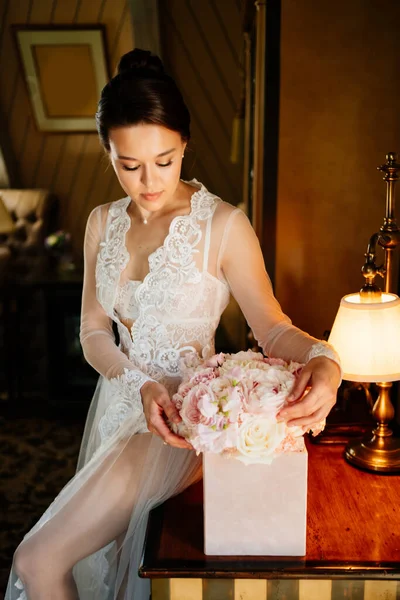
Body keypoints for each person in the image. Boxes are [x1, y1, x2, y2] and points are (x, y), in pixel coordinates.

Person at [6, 48, 341, 600]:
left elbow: (274, 330)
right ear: (108, 152)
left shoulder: (225, 226)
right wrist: (137, 383)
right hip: (119, 407)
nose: (148, 180)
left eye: (164, 159)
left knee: (37, 559)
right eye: (129, 165)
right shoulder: (100, 223)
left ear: (184, 143)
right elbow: (92, 332)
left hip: (175, 426)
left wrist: (326, 359)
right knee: (106, 569)